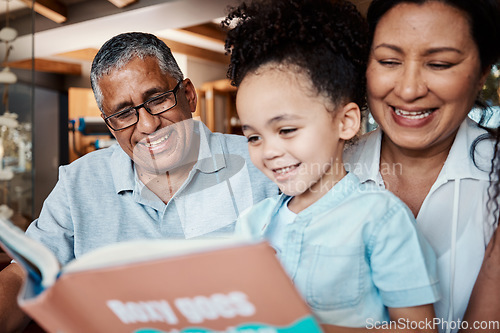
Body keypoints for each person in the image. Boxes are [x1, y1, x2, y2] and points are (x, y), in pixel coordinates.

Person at [0, 32, 277, 332]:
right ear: (110, 123)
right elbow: (23, 274)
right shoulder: (77, 182)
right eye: (123, 114)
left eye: (157, 100)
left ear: (189, 95)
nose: (147, 126)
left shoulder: (262, 163)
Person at [223, 0, 439, 331]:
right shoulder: (252, 225)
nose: (269, 151)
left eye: (286, 130)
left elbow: (418, 328)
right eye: (253, 137)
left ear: (346, 122)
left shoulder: (380, 219)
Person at [343, 0, 500, 332]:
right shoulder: (328, 168)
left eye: (440, 64)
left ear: (482, 72)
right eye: (388, 61)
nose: (409, 89)